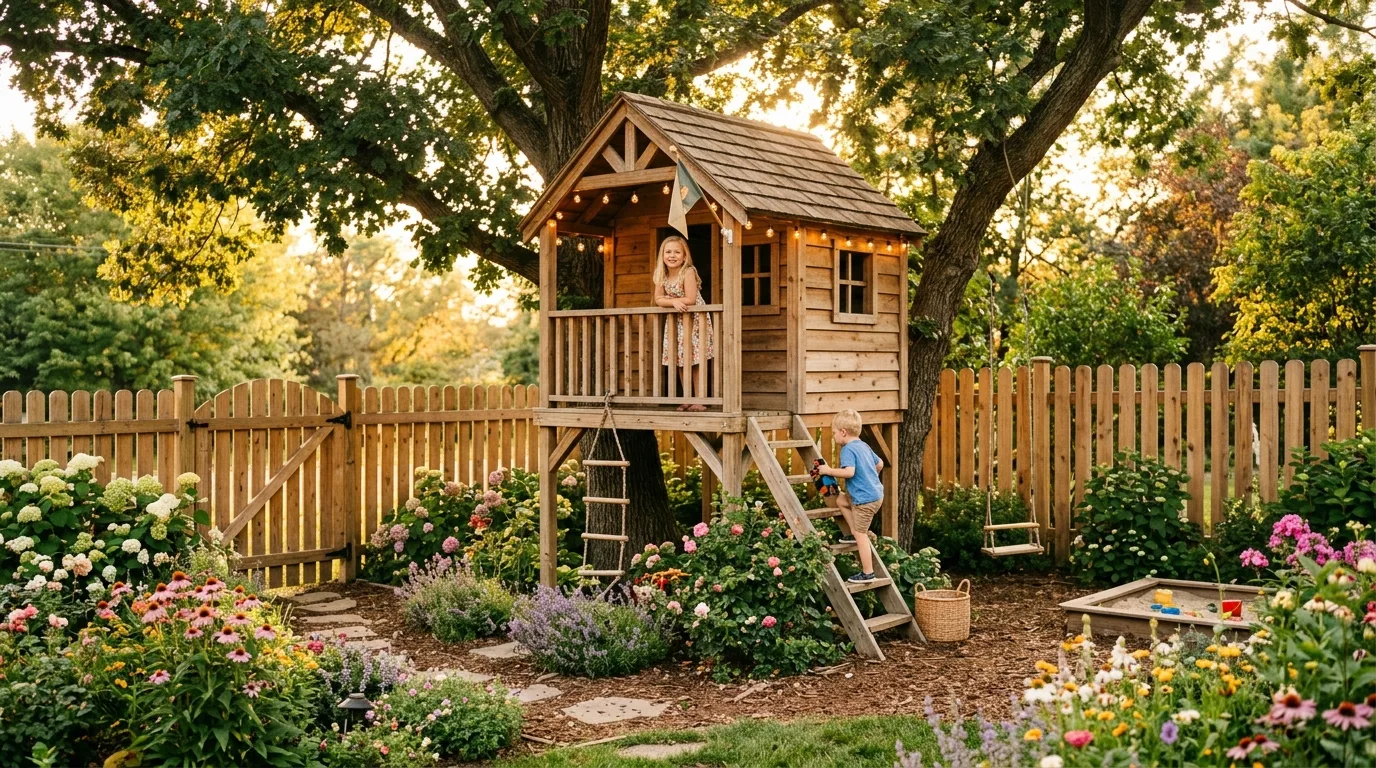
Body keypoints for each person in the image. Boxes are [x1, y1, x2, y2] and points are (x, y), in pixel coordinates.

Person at [814, 409, 884, 583]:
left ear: (843, 432)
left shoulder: (848, 449)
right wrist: (869, 476)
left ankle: (868, 573)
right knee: (841, 500)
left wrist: (828, 470)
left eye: (834, 433)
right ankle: (853, 533)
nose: (834, 437)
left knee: (862, 535)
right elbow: (880, 464)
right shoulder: (863, 445)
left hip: (864, 500)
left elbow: (849, 472)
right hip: (874, 494)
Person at [653, 235, 714, 411]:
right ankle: (687, 397)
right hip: (676, 321)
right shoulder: (661, 274)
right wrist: (672, 302)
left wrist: (673, 300)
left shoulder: (688, 272)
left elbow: (691, 298)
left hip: (694, 319)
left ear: (684, 256)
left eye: (677, 252)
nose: (672, 255)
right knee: (680, 359)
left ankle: (699, 399)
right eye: (668, 252)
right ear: (662, 255)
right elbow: (658, 299)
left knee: (696, 359)